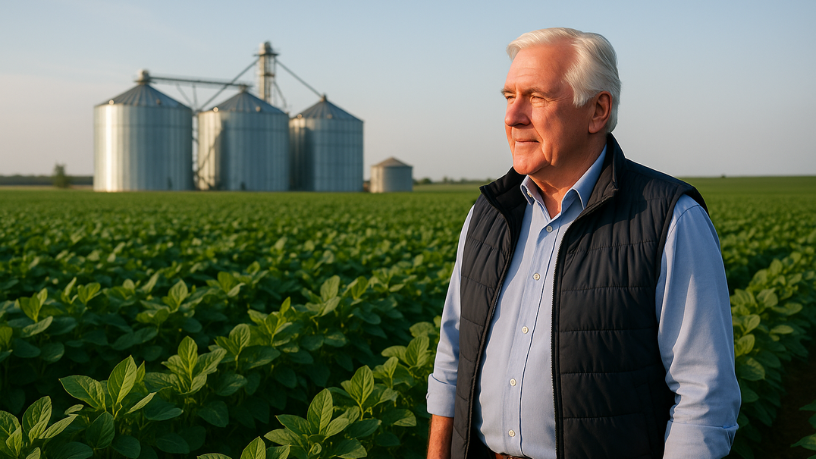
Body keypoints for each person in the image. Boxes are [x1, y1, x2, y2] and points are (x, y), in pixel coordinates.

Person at [426, 28, 740, 459]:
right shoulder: (488, 215)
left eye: (535, 97)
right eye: (508, 97)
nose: (513, 116)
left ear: (597, 110)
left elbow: (704, 397)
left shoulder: (669, 218)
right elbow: (453, 355)